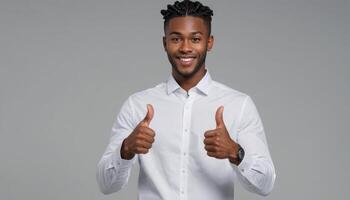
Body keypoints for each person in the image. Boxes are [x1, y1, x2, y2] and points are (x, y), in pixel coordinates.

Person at [96, 0, 276, 199]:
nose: (185, 48)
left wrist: (236, 152)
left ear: (209, 42)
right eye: (176, 39)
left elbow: (265, 185)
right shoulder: (137, 105)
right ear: (165, 43)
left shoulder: (239, 105)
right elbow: (106, 185)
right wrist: (126, 149)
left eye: (195, 39)